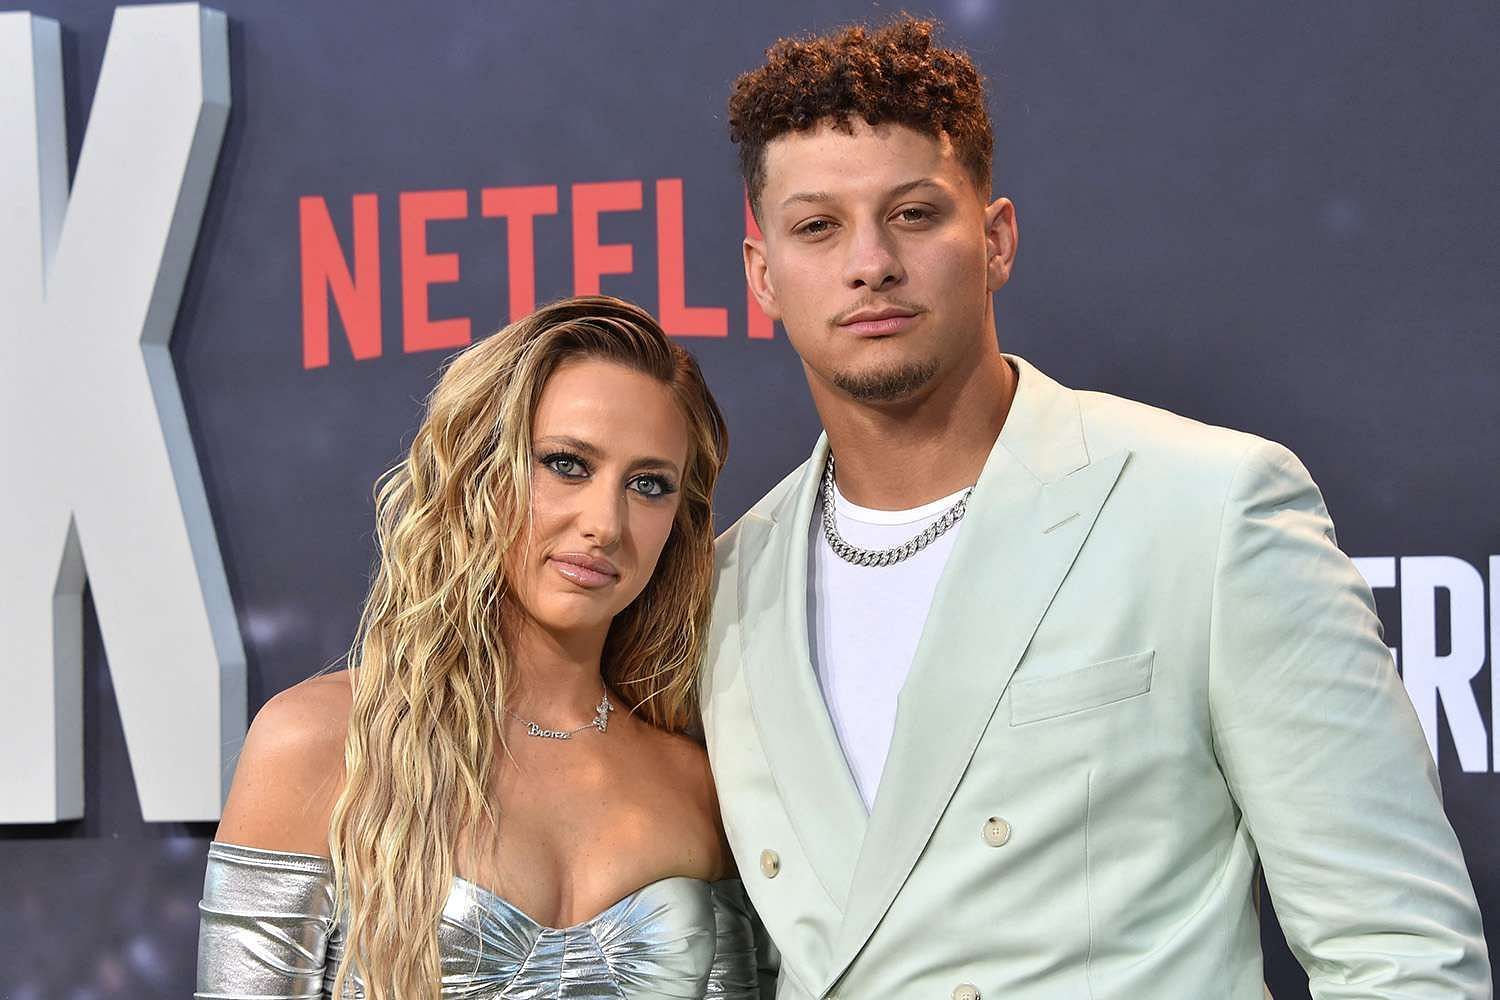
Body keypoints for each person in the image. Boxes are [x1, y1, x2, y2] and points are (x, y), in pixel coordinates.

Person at [700, 16, 1490, 1000]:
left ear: (994, 241)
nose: (871, 263)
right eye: (818, 226)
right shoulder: (726, 589)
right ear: (762, 274)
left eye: (912, 214)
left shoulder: (1208, 509)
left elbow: (1401, 952)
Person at [196, 296, 760, 999]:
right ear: (476, 472)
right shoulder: (321, 741)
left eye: (648, 485)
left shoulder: (699, 784)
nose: (605, 523)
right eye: (566, 464)